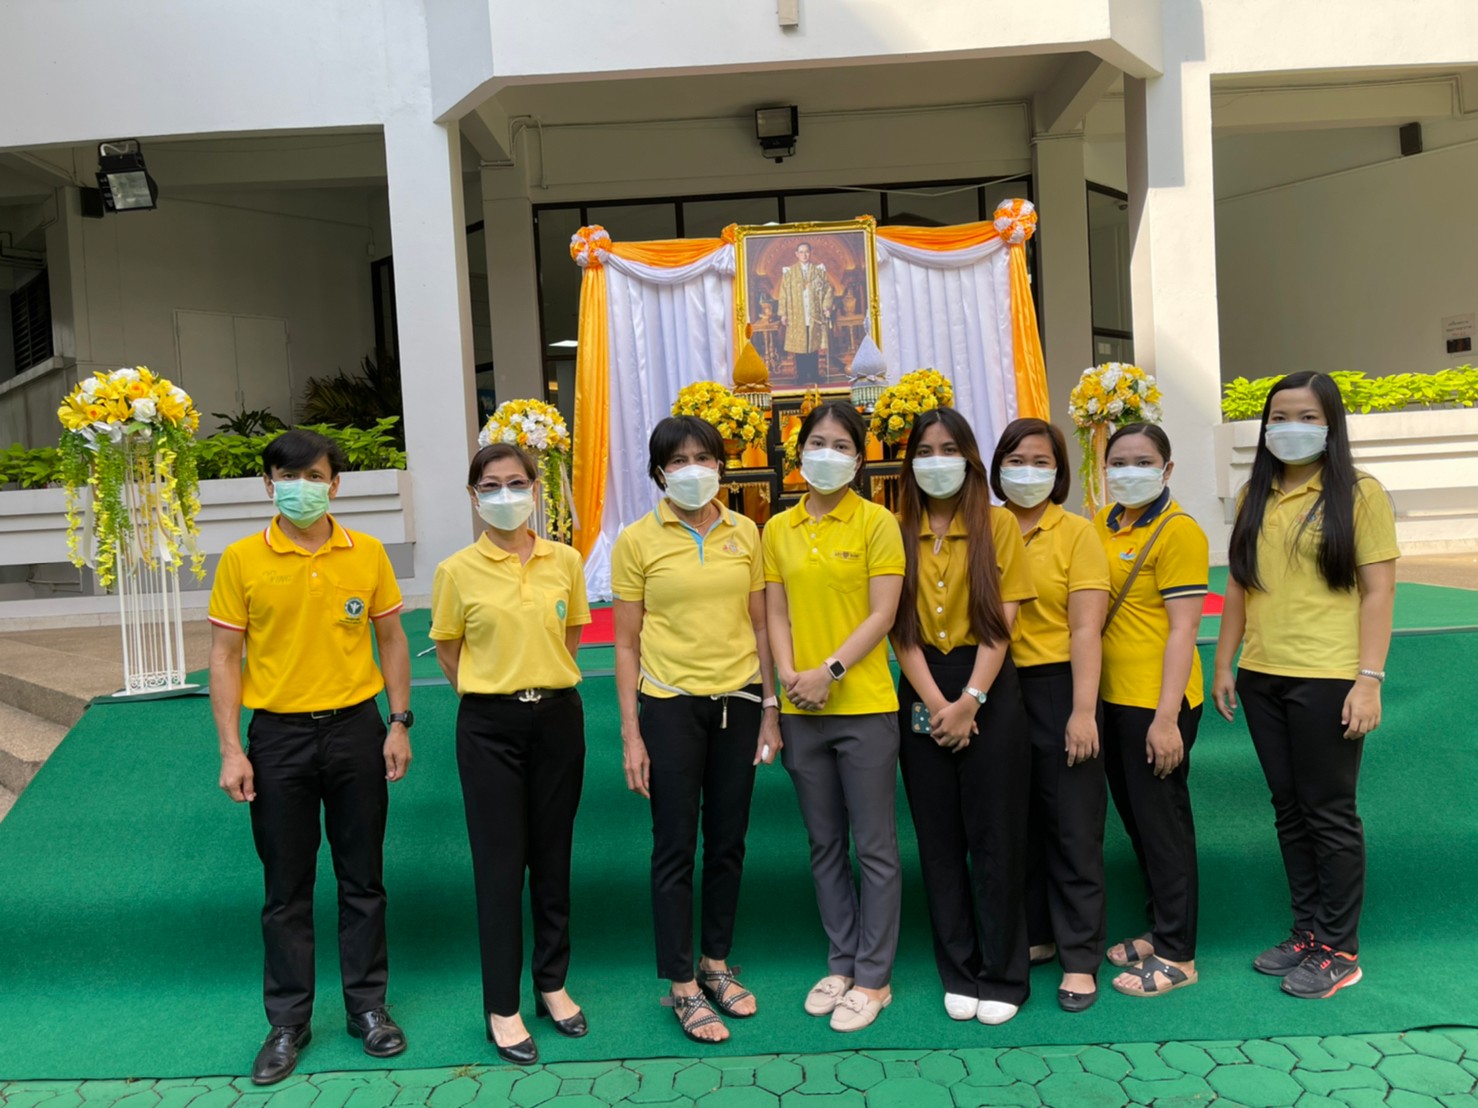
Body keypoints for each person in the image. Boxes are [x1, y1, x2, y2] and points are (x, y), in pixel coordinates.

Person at [208, 428, 412, 1085]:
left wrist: (398, 723)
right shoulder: (242, 559)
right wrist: (232, 749)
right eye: (288, 478)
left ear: (336, 484)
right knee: (286, 887)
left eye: (315, 476)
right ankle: (288, 1022)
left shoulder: (367, 552)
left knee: (363, 878)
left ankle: (368, 1008)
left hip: (356, 730)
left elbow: (392, 639)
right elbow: (225, 657)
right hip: (277, 738)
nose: (302, 488)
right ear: (269, 485)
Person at [1212, 371, 1397, 1000]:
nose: (1291, 428)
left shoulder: (1360, 494)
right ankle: (1307, 932)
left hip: (1329, 677)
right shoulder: (1253, 494)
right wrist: (1225, 664)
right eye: (1280, 417)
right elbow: (1240, 583)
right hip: (1263, 675)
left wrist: (1368, 680)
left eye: (1307, 417)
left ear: (1330, 425)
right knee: (1289, 810)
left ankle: (1340, 949)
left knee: (1329, 812)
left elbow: (1379, 592)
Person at [612, 415, 783, 1044]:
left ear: (721, 466)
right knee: (675, 845)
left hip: (739, 701)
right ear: (659, 472)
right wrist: (631, 734)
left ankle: (715, 962)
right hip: (670, 705)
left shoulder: (745, 532)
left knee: (729, 840)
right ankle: (682, 984)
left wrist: (770, 707)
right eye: (679, 460)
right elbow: (625, 643)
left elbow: (760, 624)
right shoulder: (637, 541)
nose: (693, 471)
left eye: (704, 458)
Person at [430, 442, 592, 1064]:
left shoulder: (565, 560)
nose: (506, 495)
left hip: (557, 719)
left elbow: (570, 638)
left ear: (535, 489)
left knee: (553, 858)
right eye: (491, 485)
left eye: (517, 483)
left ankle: (552, 983)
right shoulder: (456, 571)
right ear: (475, 496)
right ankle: (502, 1004)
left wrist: (539, 685)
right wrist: (497, 691)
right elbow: (450, 654)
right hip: (489, 727)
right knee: (500, 868)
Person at [762, 399, 904, 1032]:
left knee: (874, 846)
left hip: (864, 705)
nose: (828, 455)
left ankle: (874, 977)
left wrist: (830, 671)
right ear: (799, 455)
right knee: (824, 844)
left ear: (859, 459)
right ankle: (841, 962)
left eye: (842, 446)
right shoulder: (777, 528)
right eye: (817, 444)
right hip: (801, 710)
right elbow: (775, 612)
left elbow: (883, 614)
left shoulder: (877, 522)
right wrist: (790, 677)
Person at [891, 408, 1036, 1026]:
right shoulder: (896, 528)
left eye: (949, 450)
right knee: (939, 839)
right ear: (910, 464)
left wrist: (971, 700)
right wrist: (934, 704)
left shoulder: (998, 525)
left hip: (988, 685)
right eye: (925, 451)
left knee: (996, 837)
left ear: (971, 459)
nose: (937, 462)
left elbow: (1003, 624)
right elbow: (900, 630)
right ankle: (959, 969)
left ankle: (1004, 974)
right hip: (923, 685)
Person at [991, 418, 1111, 1013]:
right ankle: (1036, 933)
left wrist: (1083, 710)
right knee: (1016, 821)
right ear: (996, 467)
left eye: (1041, 461)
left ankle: (1080, 957)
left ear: (1059, 471)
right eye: (1016, 460)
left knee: (1072, 825)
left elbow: (1086, 626)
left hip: (1059, 685)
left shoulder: (1077, 533)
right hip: (996, 687)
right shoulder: (984, 526)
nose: (1028, 472)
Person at [1094, 422, 1209, 998]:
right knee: (1139, 822)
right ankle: (1160, 928)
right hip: (1112, 699)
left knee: (1164, 826)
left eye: (1143, 462)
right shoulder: (1103, 522)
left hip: (1158, 703)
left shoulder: (1179, 531)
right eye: (1118, 462)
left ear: (1166, 469)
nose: (1128, 472)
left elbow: (1183, 629)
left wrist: (1166, 719)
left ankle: (1179, 955)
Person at [777, 241, 834, 382]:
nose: (804, 255)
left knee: (813, 345)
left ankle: (814, 375)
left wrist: (826, 306)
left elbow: (827, 289)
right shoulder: (789, 272)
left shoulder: (819, 271)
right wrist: (783, 313)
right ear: (797, 254)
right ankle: (801, 376)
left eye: (807, 252)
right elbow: (783, 294)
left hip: (814, 314)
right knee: (800, 346)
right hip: (796, 315)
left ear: (811, 253)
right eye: (801, 252)